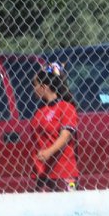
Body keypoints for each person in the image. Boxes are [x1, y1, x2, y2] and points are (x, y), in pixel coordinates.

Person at [32, 63, 79, 192]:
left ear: (43, 87)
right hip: (42, 173)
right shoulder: (39, 112)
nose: (33, 89)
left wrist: (49, 152)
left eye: (35, 85)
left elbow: (66, 136)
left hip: (63, 172)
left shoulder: (66, 107)